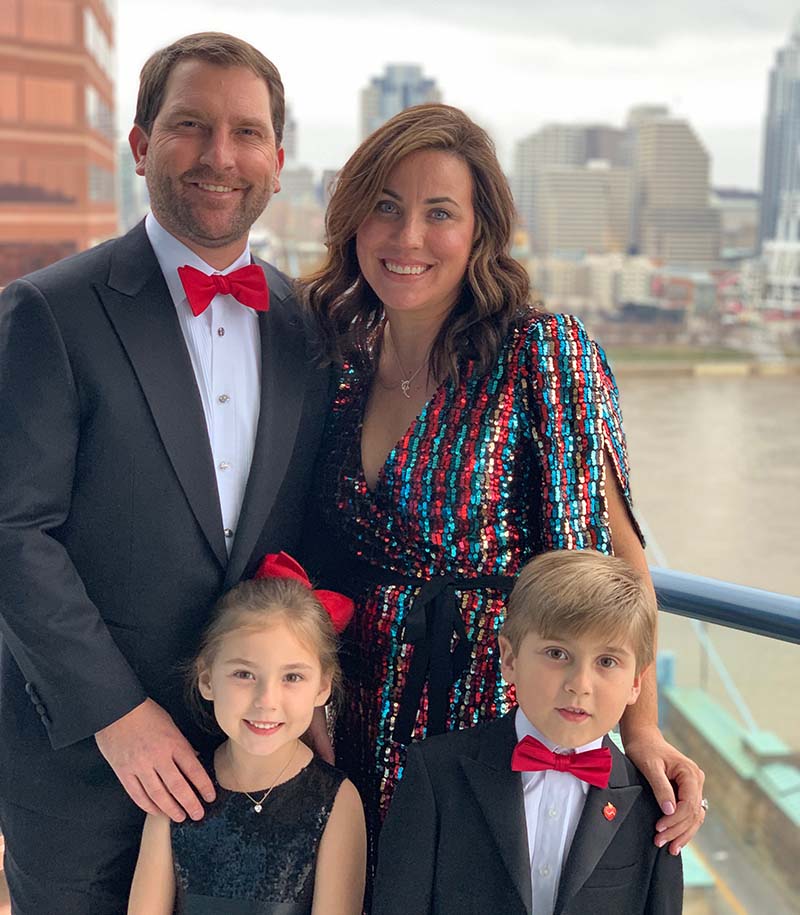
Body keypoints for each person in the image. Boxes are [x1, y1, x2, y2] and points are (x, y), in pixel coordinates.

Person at [302, 103, 704, 877]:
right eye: (385, 206)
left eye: (438, 212)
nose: (408, 236)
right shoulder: (343, 362)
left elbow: (613, 566)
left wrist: (642, 728)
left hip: (492, 722)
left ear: (479, 232)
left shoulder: (541, 352)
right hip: (350, 719)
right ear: (353, 220)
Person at [0, 33, 331, 913]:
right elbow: (11, 529)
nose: (221, 156)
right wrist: (117, 713)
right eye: (191, 125)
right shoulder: (49, 312)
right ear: (142, 144)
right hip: (85, 761)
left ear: (277, 159)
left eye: (246, 132)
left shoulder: (311, 329)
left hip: (257, 754)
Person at [372, 550, 685, 915]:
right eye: (556, 653)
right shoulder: (435, 773)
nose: (580, 685)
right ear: (510, 659)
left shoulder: (656, 803)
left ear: (636, 683)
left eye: (607, 661)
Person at [128, 552, 366, 915]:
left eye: (292, 677)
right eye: (244, 674)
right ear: (207, 679)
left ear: (322, 688)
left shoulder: (336, 801)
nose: (266, 701)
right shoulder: (178, 788)